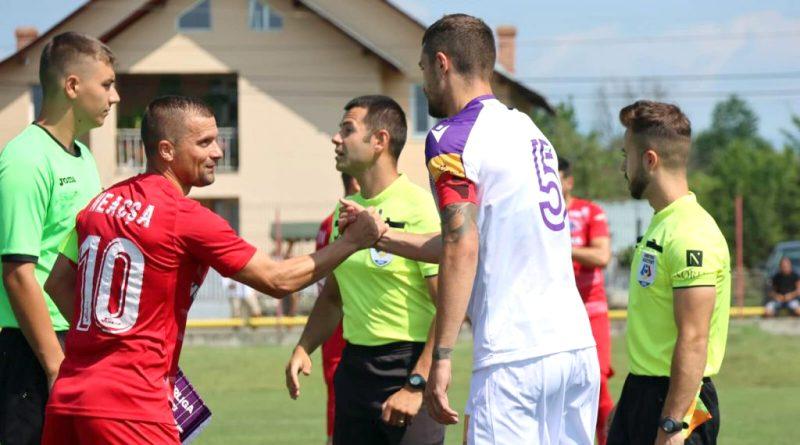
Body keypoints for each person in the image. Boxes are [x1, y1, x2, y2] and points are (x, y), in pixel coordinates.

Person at [39, 95, 384, 444]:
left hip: (69, 398)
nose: (217, 152)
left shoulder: (99, 204)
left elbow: (57, 283)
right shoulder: (186, 217)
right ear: (167, 150)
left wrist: (107, 340)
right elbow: (277, 279)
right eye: (204, 143)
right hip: (132, 404)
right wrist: (353, 241)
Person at [340, 14, 599, 444]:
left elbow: (461, 244)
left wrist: (441, 357)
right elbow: (472, 238)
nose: (423, 84)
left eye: (423, 69)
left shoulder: (452, 136)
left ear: (442, 63)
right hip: (574, 349)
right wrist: (381, 236)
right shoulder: (528, 129)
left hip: (513, 357)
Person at [285, 95, 445, 445]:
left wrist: (416, 383)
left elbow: (447, 306)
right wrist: (304, 346)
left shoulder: (418, 206)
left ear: (379, 141)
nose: (336, 139)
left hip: (407, 367)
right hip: (354, 372)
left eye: (347, 130)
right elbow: (333, 297)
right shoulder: (346, 211)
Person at [0, 32, 119, 445]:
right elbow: (17, 272)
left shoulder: (84, 159)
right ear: (72, 86)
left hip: (75, 340)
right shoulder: (25, 159)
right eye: (106, 84)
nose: (115, 96)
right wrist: (54, 365)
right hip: (31, 348)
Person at [607, 100, 731, 445]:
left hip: (677, 402)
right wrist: (629, 404)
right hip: (643, 392)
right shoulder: (662, 223)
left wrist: (673, 424)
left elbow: (694, 338)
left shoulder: (691, 233)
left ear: (649, 160)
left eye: (627, 156)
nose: (623, 167)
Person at [558, 157, 615, 445]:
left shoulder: (590, 211)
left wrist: (562, 247)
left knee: (598, 382)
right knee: (559, 387)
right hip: (555, 313)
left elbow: (602, 255)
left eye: (556, 178)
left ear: (569, 182)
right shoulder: (536, 215)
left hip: (591, 310)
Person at [315, 172, 360, 445]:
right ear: (355, 183)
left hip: (334, 329)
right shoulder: (346, 222)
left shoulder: (327, 222)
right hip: (346, 327)